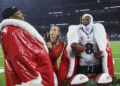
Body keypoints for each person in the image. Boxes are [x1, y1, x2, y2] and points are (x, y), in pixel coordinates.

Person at [0, 7, 55, 86]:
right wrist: (33, 81)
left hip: (39, 74)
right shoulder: (13, 31)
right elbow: (19, 57)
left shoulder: (15, 30)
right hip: (36, 79)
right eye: (18, 13)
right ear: (11, 17)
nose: (22, 14)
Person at [58, 14, 114, 85]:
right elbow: (72, 48)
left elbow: (104, 47)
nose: (85, 21)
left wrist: (101, 54)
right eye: (83, 20)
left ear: (91, 20)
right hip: (83, 65)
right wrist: (75, 48)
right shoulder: (78, 32)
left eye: (87, 19)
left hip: (96, 65)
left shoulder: (98, 32)